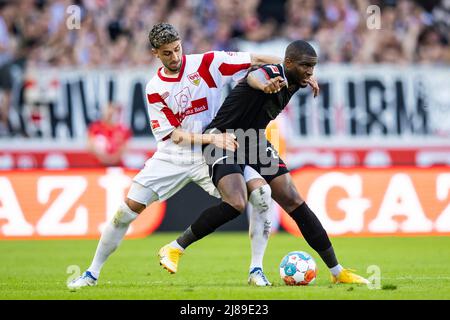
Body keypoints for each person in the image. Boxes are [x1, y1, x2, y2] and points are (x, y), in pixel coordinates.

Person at [68, 23, 285, 290]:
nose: (175, 57)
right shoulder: (155, 88)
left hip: (212, 153)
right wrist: (212, 137)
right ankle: (91, 273)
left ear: (181, 43)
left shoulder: (207, 63)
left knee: (262, 194)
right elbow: (175, 135)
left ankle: (256, 269)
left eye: (177, 49)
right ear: (155, 53)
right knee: (125, 212)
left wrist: (294, 68)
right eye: (167, 53)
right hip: (173, 155)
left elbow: (255, 59)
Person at [159, 40, 370, 285]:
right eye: (305, 66)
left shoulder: (297, 80)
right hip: (222, 138)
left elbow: (294, 75)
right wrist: (264, 83)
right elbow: (253, 78)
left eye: (313, 67)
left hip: (253, 141)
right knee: (236, 203)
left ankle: (337, 271)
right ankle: (175, 247)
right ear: (288, 63)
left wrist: (305, 78)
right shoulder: (273, 73)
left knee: (292, 199)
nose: (310, 72)